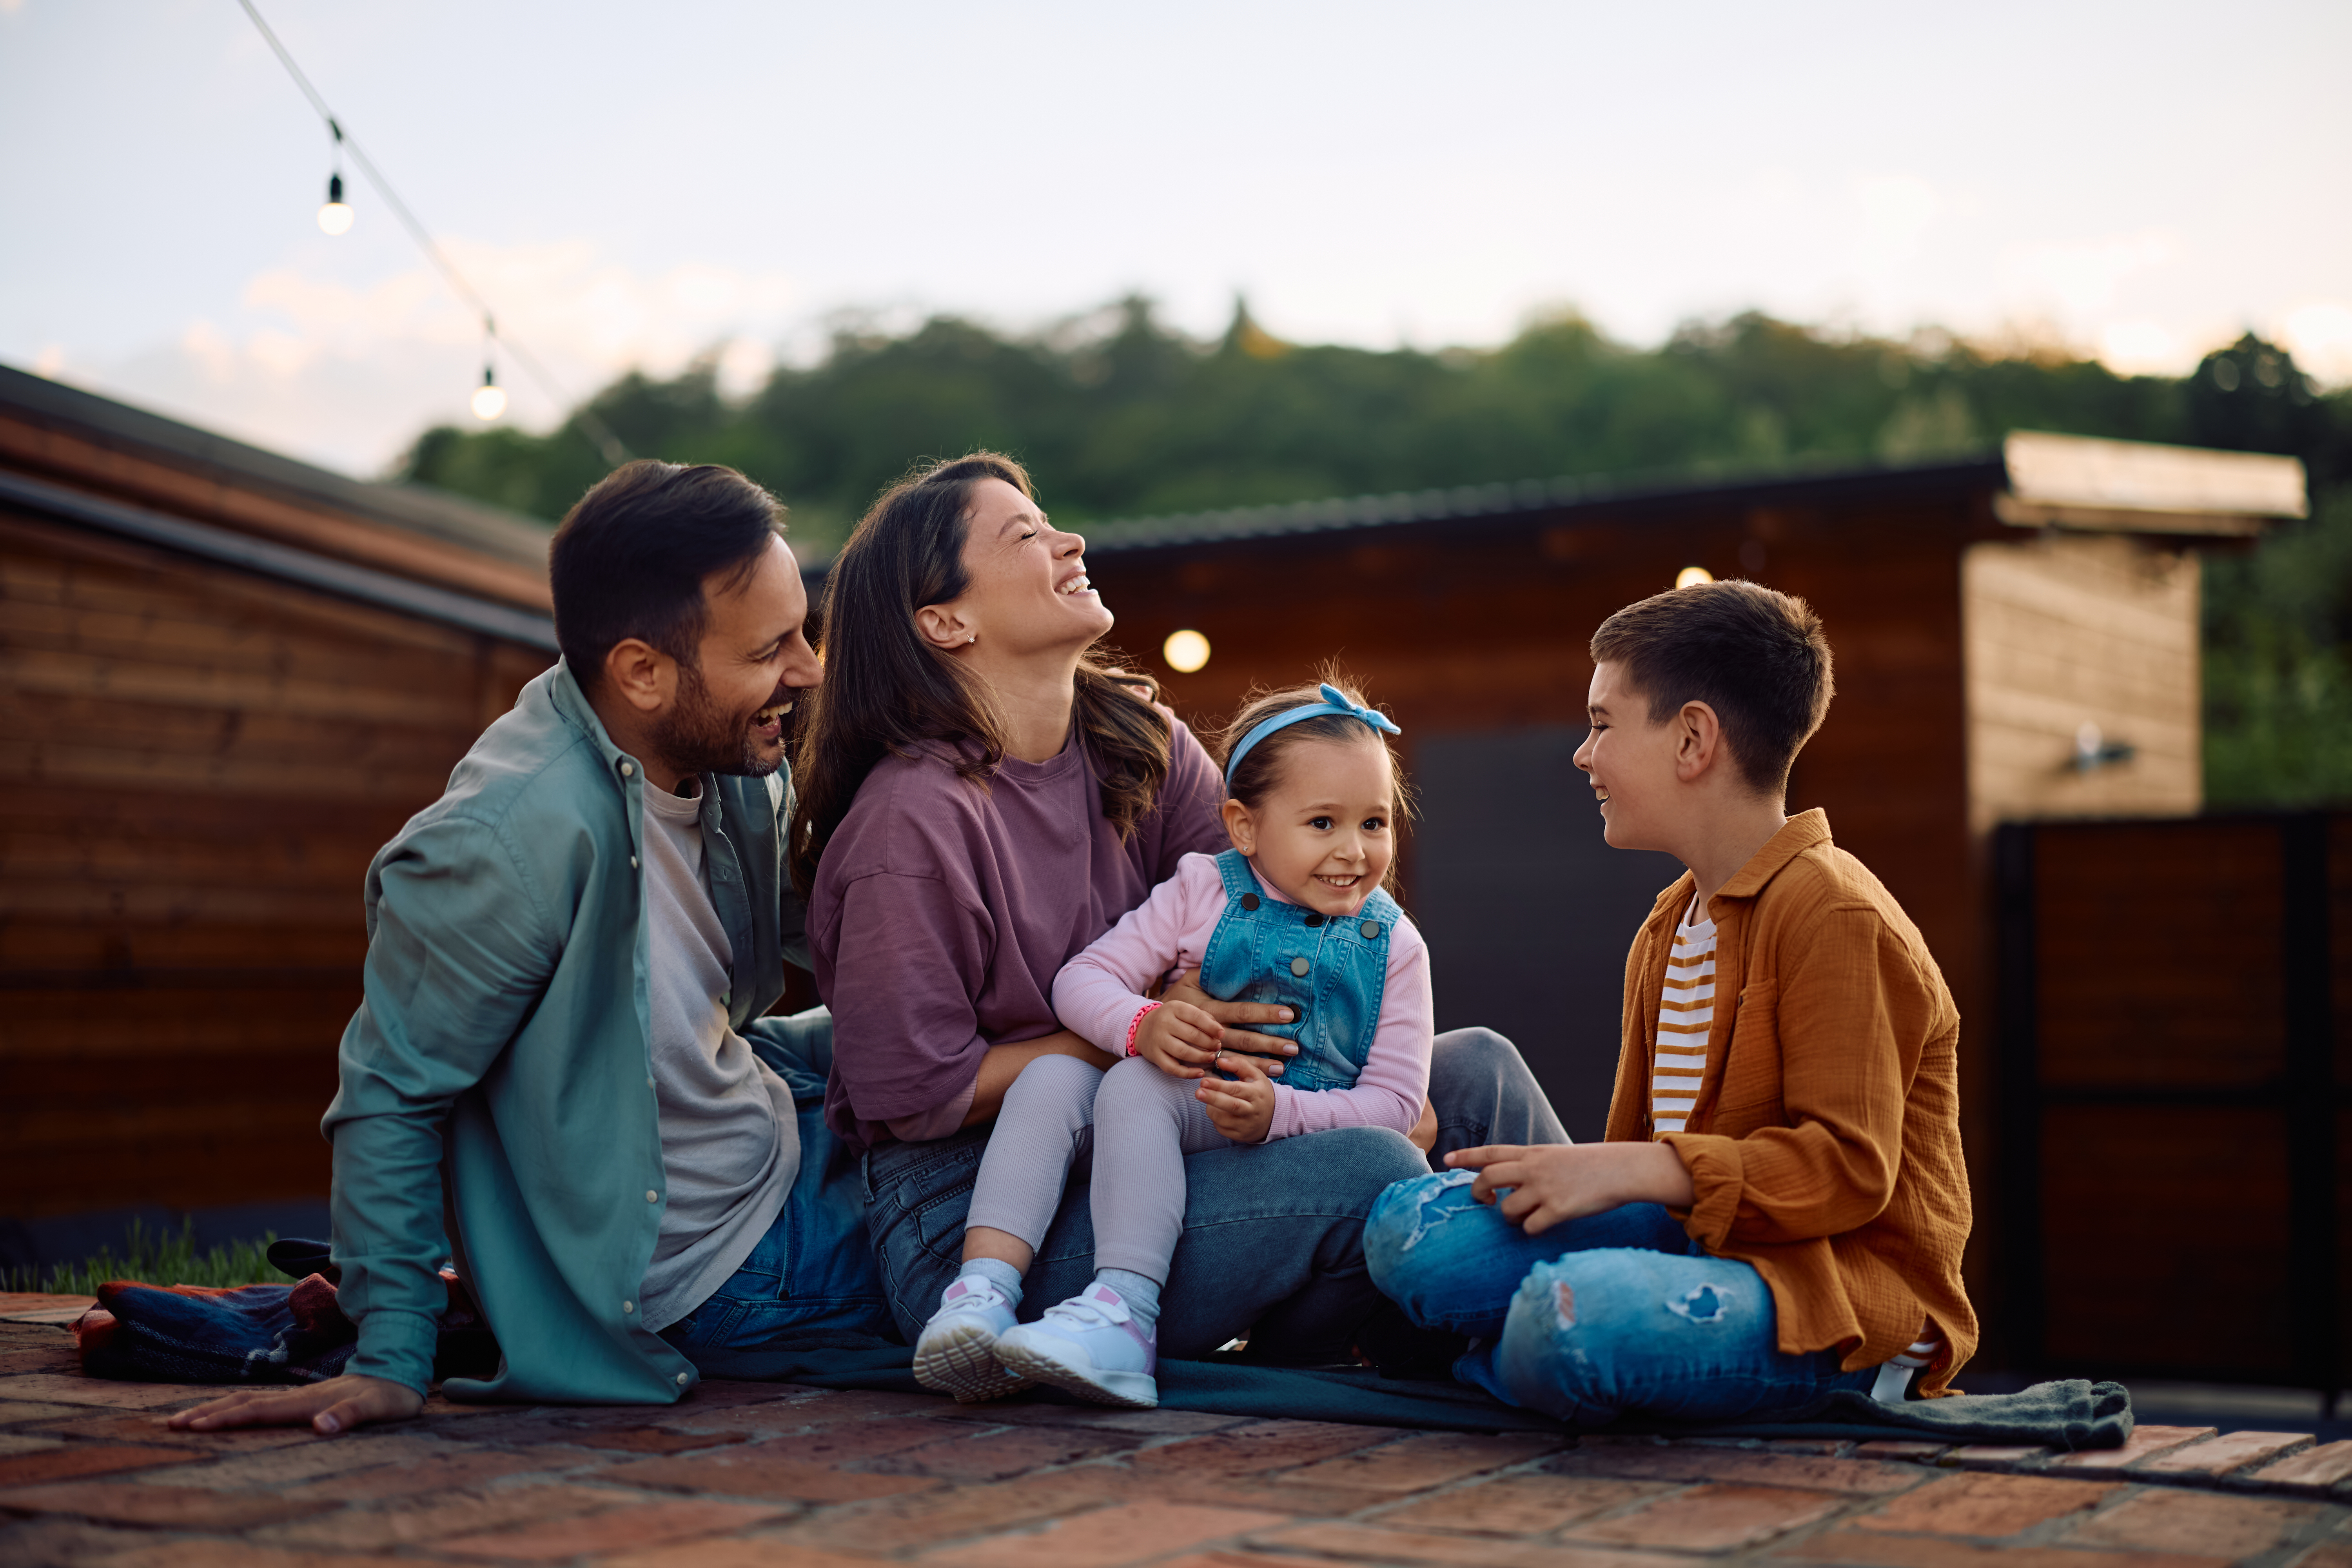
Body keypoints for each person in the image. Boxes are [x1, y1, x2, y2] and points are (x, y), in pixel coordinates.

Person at [794, 452, 1567, 1374]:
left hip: (1171, 1120)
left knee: (1476, 1070)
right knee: (1374, 1165)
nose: (1071, 541)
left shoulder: (1137, 739)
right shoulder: (908, 824)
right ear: (945, 620)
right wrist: (1144, 1025)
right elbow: (918, 1096)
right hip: (980, 1222)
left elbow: (1285, 902)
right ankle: (1437, 1342)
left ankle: (1602, 1294)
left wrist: (1362, 1073)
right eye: (1026, 534)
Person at [171, 461, 885, 1439]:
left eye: (802, 632)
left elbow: (864, 938)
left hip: (770, 1122)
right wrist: (391, 1354)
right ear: (642, 671)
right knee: (1041, 1241)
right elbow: (390, 1094)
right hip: (717, 1260)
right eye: (772, 649)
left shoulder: (725, 756)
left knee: (1022, 1085)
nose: (809, 669)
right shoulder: (502, 843)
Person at [1363, 579, 1976, 1425]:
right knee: (1407, 1232)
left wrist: (1630, 1169)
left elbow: (1847, 1169)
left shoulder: (1835, 913)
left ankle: (1512, 1356)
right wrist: (1599, 1179)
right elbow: (1641, 1168)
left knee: (1567, 1316)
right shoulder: (1667, 924)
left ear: (1692, 739)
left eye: (1602, 724)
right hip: (1693, 1240)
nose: (1583, 754)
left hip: (1830, 1296)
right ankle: (1533, 1359)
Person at [912, 676, 1433, 1407]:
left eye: (1374, 823)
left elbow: (1399, 1106)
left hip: (1282, 1133)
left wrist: (1281, 1113)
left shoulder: (1395, 947)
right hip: (1175, 1106)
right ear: (1244, 827)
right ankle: (983, 1291)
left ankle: (1125, 1311)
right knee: (1051, 1077)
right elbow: (1083, 978)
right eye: (1323, 823)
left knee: (1135, 1085)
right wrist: (1142, 1022)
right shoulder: (1201, 889)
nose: (1354, 851)